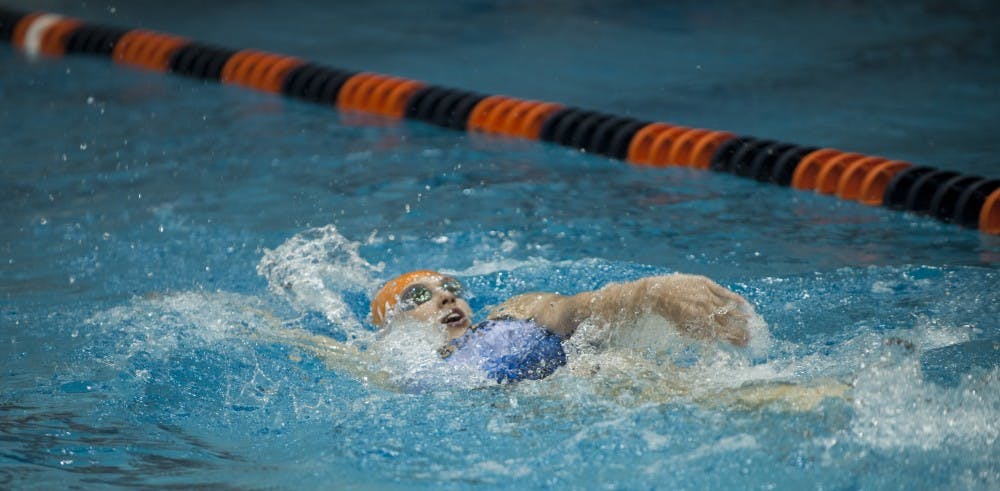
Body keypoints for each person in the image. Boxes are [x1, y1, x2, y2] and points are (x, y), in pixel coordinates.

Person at [368, 269, 753, 383]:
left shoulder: (511, 314)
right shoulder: (395, 370)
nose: (447, 297)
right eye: (419, 297)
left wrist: (650, 292)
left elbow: (572, 309)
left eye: (450, 287)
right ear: (394, 324)